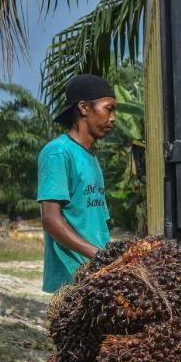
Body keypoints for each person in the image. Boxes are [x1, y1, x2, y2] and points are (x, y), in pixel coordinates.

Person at [37, 74, 117, 293]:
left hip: (98, 274)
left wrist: (112, 258)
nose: (113, 118)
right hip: (73, 279)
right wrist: (98, 256)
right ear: (84, 107)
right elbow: (51, 220)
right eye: (108, 109)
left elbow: (96, 224)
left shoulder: (91, 158)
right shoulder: (58, 153)